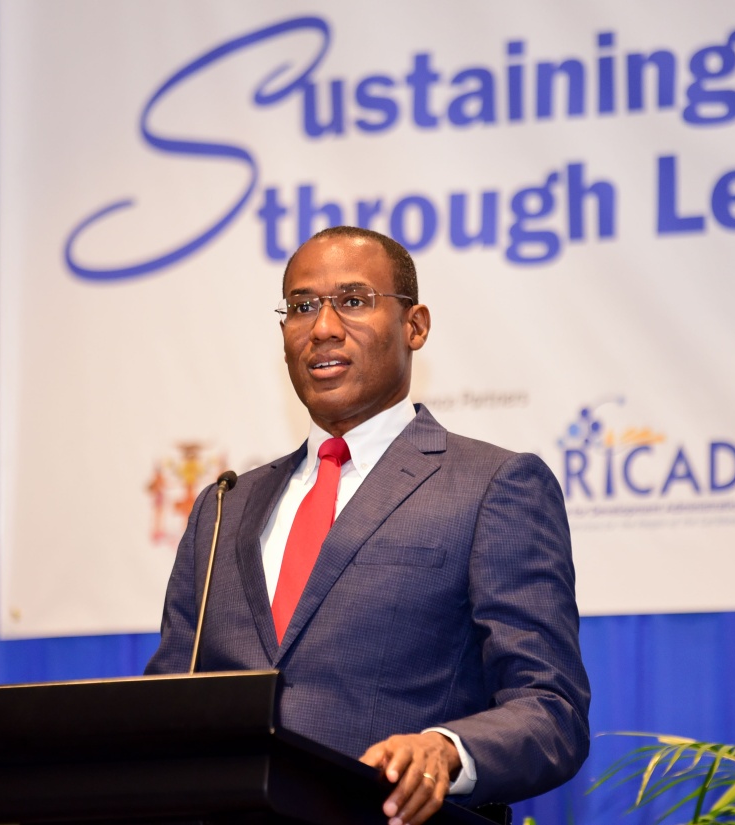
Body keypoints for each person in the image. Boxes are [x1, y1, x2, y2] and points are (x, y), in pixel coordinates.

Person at [145, 226, 590, 825]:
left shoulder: (493, 487)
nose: (323, 326)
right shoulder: (223, 508)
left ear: (415, 326)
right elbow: (167, 706)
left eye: (353, 301)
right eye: (302, 306)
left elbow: (549, 708)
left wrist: (447, 749)